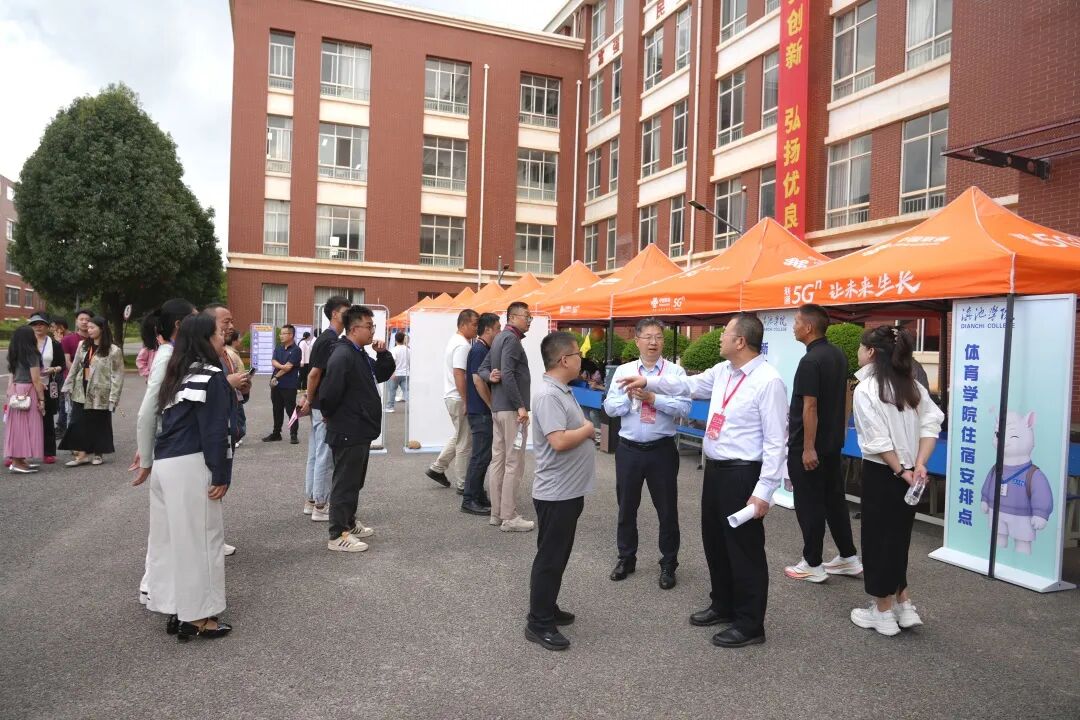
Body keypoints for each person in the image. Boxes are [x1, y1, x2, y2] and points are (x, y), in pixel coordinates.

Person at [620, 313, 787, 649]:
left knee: (744, 549)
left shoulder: (768, 381)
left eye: (725, 333)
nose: (720, 337)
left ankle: (750, 623)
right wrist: (648, 382)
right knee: (715, 541)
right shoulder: (724, 371)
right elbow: (688, 385)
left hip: (743, 474)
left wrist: (764, 491)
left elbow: (776, 441)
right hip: (716, 471)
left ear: (740, 341)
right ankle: (723, 604)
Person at [145, 313, 237, 641]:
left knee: (171, 541)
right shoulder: (212, 375)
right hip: (191, 464)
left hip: (165, 464)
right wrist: (221, 474)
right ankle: (198, 618)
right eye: (218, 333)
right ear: (205, 339)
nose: (223, 337)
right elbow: (215, 430)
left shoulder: (178, 374)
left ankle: (175, 607)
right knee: (202, 540)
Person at [850, 325, 943, 636]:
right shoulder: (911, 385)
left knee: (878, 541)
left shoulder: (867, 389)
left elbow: (877, 440)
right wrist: (919, 464)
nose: (858, 351)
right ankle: (903, 603)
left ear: (871, 352)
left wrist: (902, 470)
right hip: (911, 473)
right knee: (898, 540)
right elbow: (932, 423)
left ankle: (883, 611)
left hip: (884, 472)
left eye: (861, 346)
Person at [602, 318, 691, 589]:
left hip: (661, 450)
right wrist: (629, 398)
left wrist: (654, 398)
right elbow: (609, 407)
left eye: (658, 337)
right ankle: (626, 558)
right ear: (637, 341)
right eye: (648, 337)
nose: (653, 342)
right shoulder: (624, 371)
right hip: (629, 450)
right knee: (626, 507)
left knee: (667, 510)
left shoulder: (675, 372)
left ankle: (669, 563)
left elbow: (685, 408)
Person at [524, 331, 596, 651]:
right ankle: (538, 622)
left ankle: (547, 605)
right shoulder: (549, 395)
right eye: (578, 354)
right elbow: (559, 440)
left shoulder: (561, 390)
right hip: (556, 493)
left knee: (557, 554)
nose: (582, 359)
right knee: (550, 558)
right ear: (565, 360)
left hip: (567, 490)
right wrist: (588, 429)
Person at [783, 304, 861, 583]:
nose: (793, 327)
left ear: (808, 327)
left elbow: (810, 406)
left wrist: (807, 448)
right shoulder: (838, 354)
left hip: (810, 447)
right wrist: (839, 433)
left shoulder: (810, 361)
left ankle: (812, 563)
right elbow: (845, 397)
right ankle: (848, 557)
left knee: (809, 504)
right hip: (831, 444)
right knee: (833, 501)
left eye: (796, 322)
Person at [131, 298, 199, 609]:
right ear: (179, 325)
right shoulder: (168, 356)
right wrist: (146, 456)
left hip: (169, 446)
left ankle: (157, 587)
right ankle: (152, 585)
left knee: (168, 527)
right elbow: (149, 410)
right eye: (195, 318)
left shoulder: (177, 354)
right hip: (168, 449)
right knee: (165, 528)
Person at [319, 305, 395, 552]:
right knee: (345, 483)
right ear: (353, 329)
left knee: (354, 481)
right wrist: (330, 415)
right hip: (348, 428)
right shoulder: (343, 354)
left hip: (359, 428)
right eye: (369, 326)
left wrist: (383, 354)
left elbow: (380, 374)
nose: (373, 331)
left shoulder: (358, 353)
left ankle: (349, 523)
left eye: (373, 326)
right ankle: (337, 534)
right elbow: (329, 392)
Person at [297, 295, 360, 526]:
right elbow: (314, 374)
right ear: (334, 314)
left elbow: (314, 374)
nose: (349, 314)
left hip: (318, 404)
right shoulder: (329, 340)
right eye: (346, 311)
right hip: (323, 406)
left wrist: (309, 399)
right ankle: (321, 505)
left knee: (316, 454)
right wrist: (310, 398)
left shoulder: (326, 338)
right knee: (324, 455)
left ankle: (312, 500)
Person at [477, 301, 535, 532]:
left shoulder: (500, 338)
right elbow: (508, 374)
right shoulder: (510, 339)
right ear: (512, 317)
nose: (529, 320)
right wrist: (520, 406)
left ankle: (497, 513)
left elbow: (482, 369)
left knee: (499, 461)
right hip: (511, 411)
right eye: (526, 316)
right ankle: (509, 516)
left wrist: (490, 376)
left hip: (499, 410)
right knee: (513, 462)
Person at [60, 316, 124, 467]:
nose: (88, 330)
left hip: (101, 392)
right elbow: (75, 366)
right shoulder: (83, 345)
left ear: (102, 329)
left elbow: (117, 376)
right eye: (88, 327)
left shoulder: (113, 350)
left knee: (99, 422)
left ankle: (98, 453)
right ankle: (81, 455)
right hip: (81, 389)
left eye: (92, 327)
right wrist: (67, 385)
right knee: (77, 421)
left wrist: (114, 397)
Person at [425, 309, 478, 492]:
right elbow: (459, 374)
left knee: (460, 435)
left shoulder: (455, 341)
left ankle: (437, 468)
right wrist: (467, 401)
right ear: (463, 324)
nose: (477, 328)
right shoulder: (463, 345)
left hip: (452, 396)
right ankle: (463, 485)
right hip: (458, 397)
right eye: (474, 324)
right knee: (465, 442)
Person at [461, 313, 499, 515]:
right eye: (497, 328)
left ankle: (477, 494)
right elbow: (477, 381)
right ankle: (469, 499)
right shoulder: (479, 350)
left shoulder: (482, 349)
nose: (499, 332)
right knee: (479, 456)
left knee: (483, 456)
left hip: (480, 410)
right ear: (488, 329)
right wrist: (492, 406)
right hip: (481, 411)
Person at [5, 325, 45, 473]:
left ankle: (19, 460)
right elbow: (36, 379)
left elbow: (13, 375)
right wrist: (42, 400)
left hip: (16, 390)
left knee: (18, 427)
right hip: (28, 391)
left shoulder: (14, 353)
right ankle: (17, 462)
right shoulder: (32, 354)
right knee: (27, 426)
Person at [30, 313, 65, 464]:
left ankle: (48, 452)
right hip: (28, 385)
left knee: (47, 418)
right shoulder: (26, 342)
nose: (38, 326)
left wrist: (54, 369)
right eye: (35, 324)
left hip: (48, 384)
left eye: (41, 324)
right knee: (26, 418)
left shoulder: (54, 344)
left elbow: (62, 365)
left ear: (47, 326)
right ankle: (21, 452)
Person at [263, 324, 302, 444]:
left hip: (289, 385)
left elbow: (288, 368)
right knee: (277, 409)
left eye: (284, 333)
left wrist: (276, 376)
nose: (281, 336)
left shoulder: (296, 350)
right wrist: (282, 366)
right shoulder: (278, 348)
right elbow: (273, 361)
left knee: (291, 410)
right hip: (276, 385)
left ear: (291, 335)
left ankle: (293, 434)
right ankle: (276, 433)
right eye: (281, 333)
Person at [60, 308, 92, 441]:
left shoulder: (96, 339)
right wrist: (79, 376)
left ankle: (88, 440)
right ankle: (74, 441)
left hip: (92, 381)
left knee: (89, 412)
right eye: (81, 319)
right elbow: (68, 361)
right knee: (73, 412)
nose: (84, 322)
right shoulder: (67, 339)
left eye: (87, 320)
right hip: (73, 380)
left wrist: (88, 377)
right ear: (76, 321)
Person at [224, 331, 248, 443]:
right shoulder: (230, 353)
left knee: (239, 414)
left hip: (237, 387)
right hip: (235, 389)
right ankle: (236, 436)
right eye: (240, 338)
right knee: (237, 414)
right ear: (234, 340)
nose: (241, 340)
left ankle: (237, 436)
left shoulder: (232, 352)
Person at [51, 316, 70, 436]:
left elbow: (65, 358)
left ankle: (61, 427)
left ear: (61, 327)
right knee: (60, 400)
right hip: (57, 373)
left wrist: (59, 342)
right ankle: (62, 425)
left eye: (53, 327)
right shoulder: (56, 339)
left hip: (65, 373)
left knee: (64, 401)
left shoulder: (68, 338)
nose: (51, 329)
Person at [385, 332, 410, 413]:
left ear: (395, 340)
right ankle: (411, 407)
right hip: (406, 374)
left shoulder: (393, 350)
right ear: (403, 339)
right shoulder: (408, 350)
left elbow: (391, 362)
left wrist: (391, 373)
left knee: (392, 391)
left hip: (395, 374)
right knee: (407, 391)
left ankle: (390, 407)